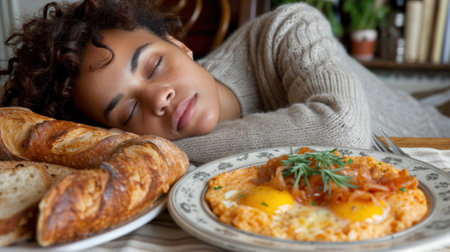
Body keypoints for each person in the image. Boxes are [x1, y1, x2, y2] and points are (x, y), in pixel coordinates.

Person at [1, 0, 449, 165]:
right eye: (130, 111)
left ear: (180, 45)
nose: (159, 97)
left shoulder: (284, 31)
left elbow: (340, 133)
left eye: (154, 66)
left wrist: (154, 151)